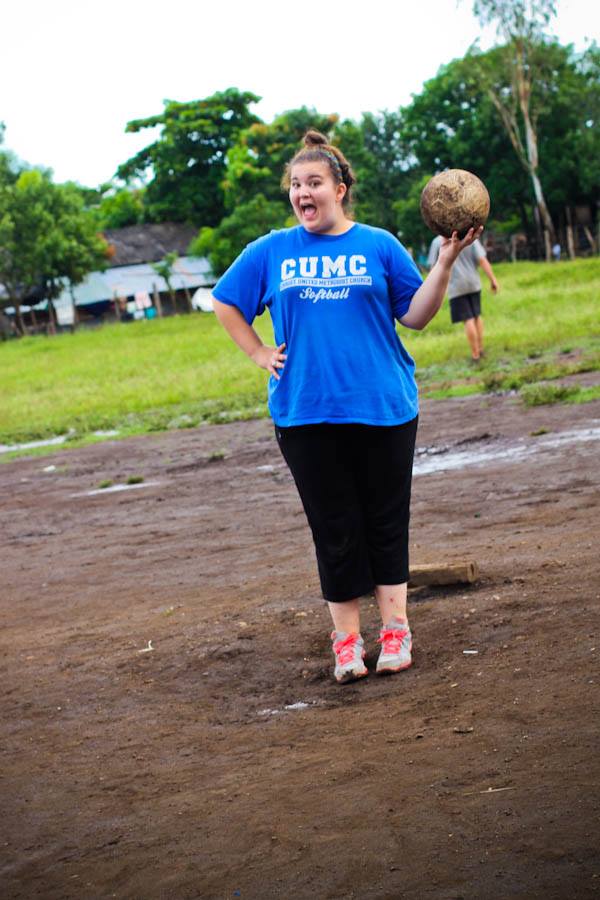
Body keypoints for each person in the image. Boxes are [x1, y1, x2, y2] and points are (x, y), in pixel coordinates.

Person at [211, 130, 483, 684]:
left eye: (313, 183)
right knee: (334, 529)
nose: (301, 193)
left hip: (383, 406)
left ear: (339, 189)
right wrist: (259, 351)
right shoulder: (270, 251)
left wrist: (445, 262)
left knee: (385, 522)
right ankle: (346, 643)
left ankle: (396, 631)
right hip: (305, 412)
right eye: (295, 185)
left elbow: (416, 315)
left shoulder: (379, 245)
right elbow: (225, 301)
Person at [427, 233, 499, 363]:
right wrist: (493, 279)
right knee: (477, 316)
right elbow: (482, 260)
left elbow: (434, 268)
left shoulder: (438, 242)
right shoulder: (469, 236)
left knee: (468, 319)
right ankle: (480, 349)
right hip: (473, 283)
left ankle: (475, 355)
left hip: (456, 287)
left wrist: (435, 291)